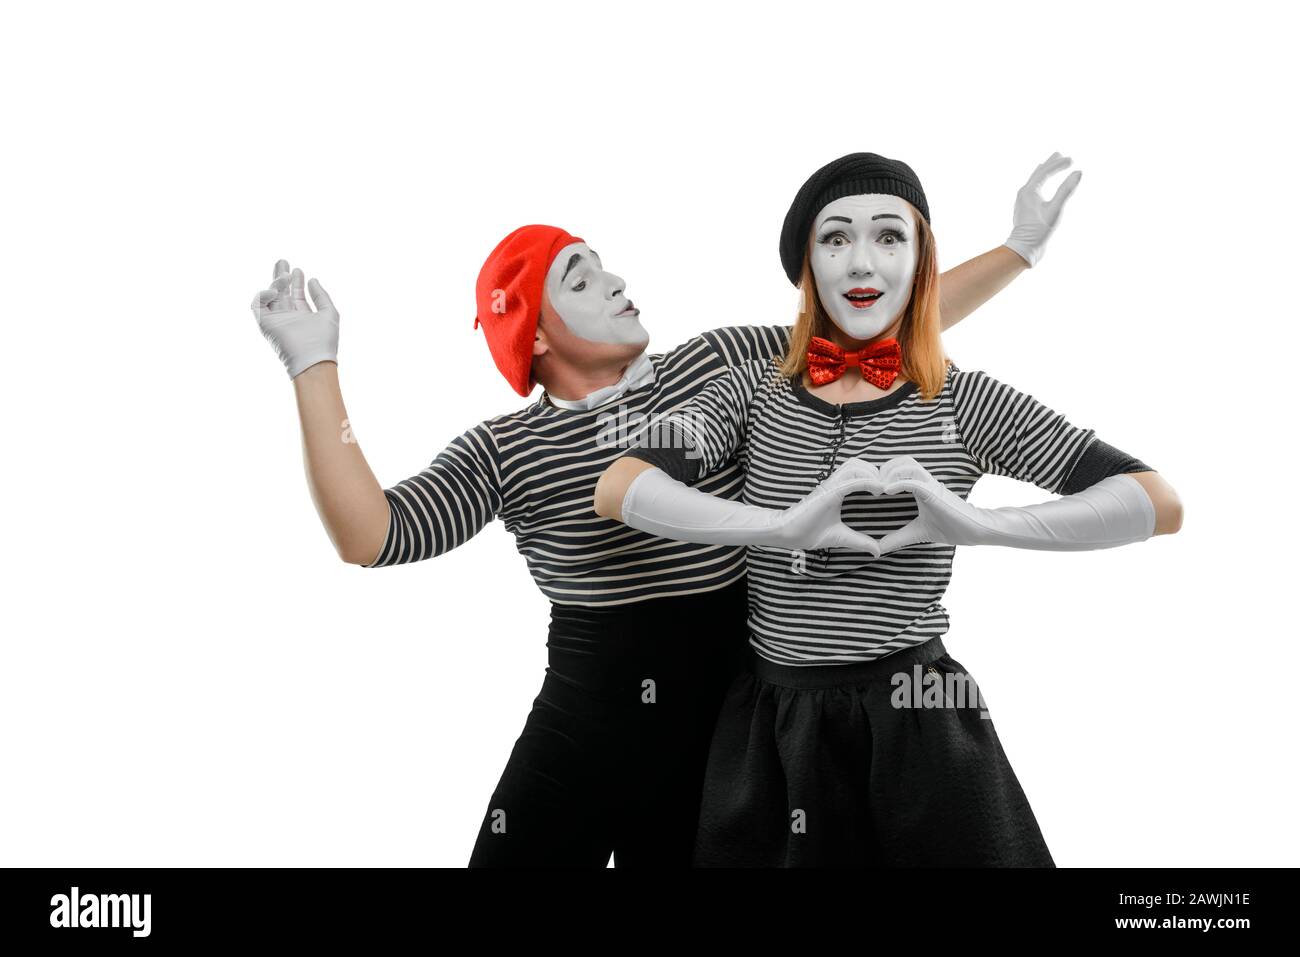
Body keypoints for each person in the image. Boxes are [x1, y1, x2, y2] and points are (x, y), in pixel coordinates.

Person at [249, 157, 1080, 866]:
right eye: (580, 275)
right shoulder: (503, 449)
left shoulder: (724, 363)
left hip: (731, 722)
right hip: (587, 722)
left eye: (604, 262)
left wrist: (1020, 248)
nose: (614, 278)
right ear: (531, 334)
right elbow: (371, 534)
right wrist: (313, 363)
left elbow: (882, 325)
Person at [594, 152, 1183, 867]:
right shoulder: (749, 390)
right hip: (772, 729)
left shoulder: (964, 402)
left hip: (920, 719)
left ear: (922, 262)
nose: (860, 262)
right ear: (808, 264)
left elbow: (1155, 500)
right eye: (835, 238)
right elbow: (621, 486)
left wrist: (981, 525)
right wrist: (780, 527)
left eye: (890, 237)